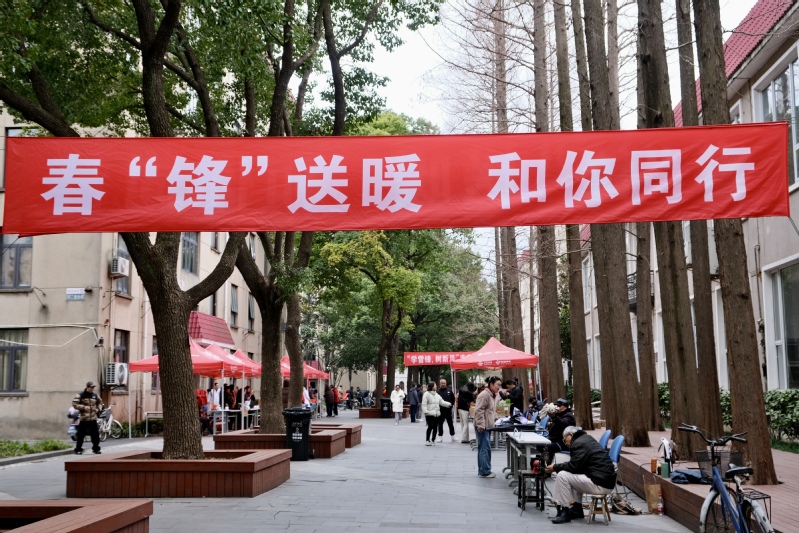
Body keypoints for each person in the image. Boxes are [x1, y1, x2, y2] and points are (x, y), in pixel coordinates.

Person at [545, 426, 616, 524]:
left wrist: (555, 467)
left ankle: (564, 512)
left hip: (600, 484)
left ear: (570, 435)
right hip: (606, 482)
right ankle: (577, 509)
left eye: (565, 440)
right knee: (572, 474)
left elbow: (573, 466)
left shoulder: (578, 443)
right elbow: (577, 467)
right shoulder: (587, 439)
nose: (565, 443)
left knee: (562, 475)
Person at [474, 376, 502, 477]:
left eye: (500, 385)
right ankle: (484, 471)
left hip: (488, 426)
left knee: (485, 448)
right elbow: (479, 410)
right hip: (483, 426)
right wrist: (480, 425)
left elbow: (491, 410)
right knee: (484, 449)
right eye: (497, 385)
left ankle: (484, 470)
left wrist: (496, 418)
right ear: (491, 385)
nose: (499, 387)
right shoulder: (484, 394)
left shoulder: (492, 395)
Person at [72, 381, 103, 455]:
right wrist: (83, 407)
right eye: (91, 387)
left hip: (93, 418)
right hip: (84, 419)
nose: (92, 389)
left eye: (93, 387)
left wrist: (98, 409)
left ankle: (96, 449)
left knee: (95, 435)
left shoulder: (95, 395)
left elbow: (100, 403)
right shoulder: (80, 395)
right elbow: (74, 404)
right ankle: (78, 449)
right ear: (87, 387)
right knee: (81, 435)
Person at [546, 397, 577, 462]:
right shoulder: (560, 414)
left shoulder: (569, 416)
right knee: (541, 445)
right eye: (556, 405)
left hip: (563, 442)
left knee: (548, 447)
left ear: (565, 407)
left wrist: (554, 416)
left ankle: (548, 464)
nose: (557, 407)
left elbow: (563, 423)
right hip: (555, 439)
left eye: (559, 406)